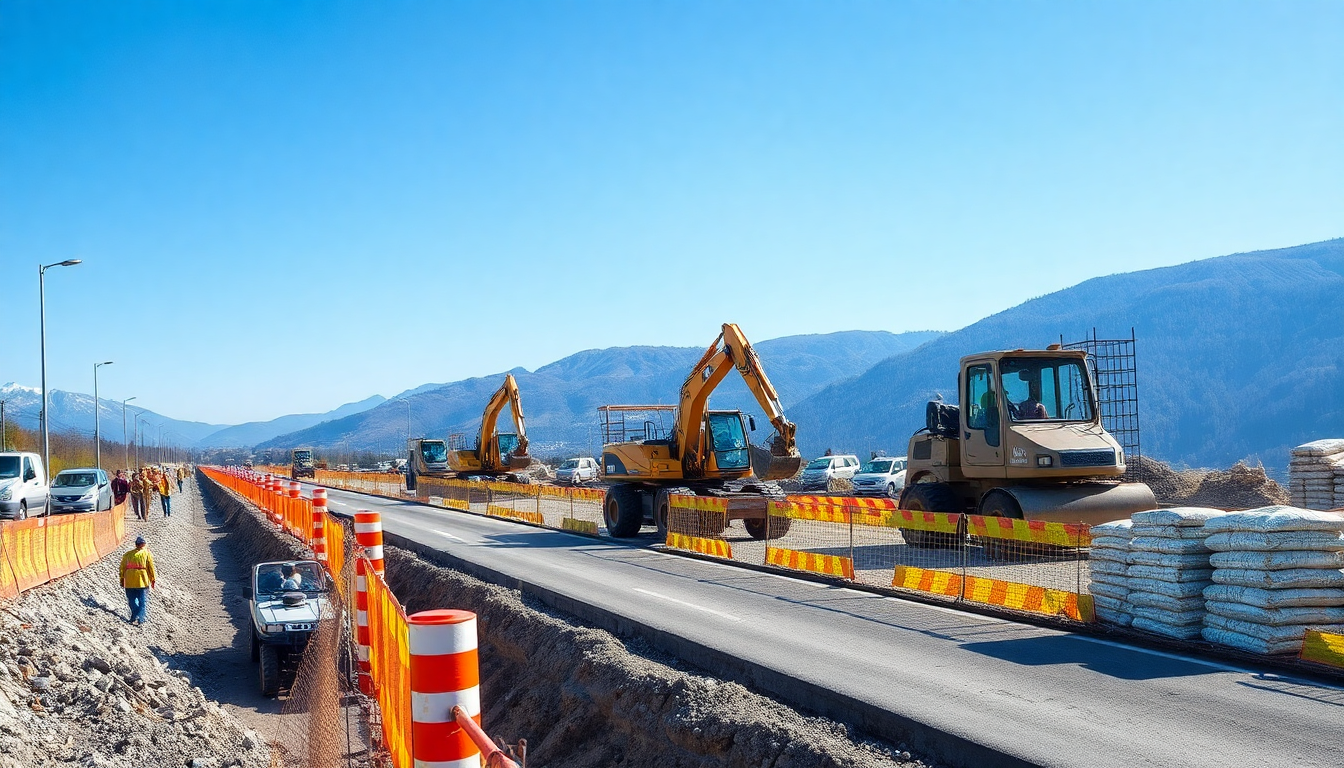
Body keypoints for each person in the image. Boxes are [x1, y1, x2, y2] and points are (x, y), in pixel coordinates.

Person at [119, 536, 156, 624]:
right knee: (142, 600)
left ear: (136, 545)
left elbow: (122, 568)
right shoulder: (147, 553)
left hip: (129, 581)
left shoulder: (127, 554)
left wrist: (122, 579)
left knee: (131, 600)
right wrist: (152, 579)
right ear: (143, 544)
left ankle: (134, 616)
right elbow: (150, 567)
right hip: (142, 581)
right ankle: (141, 619)